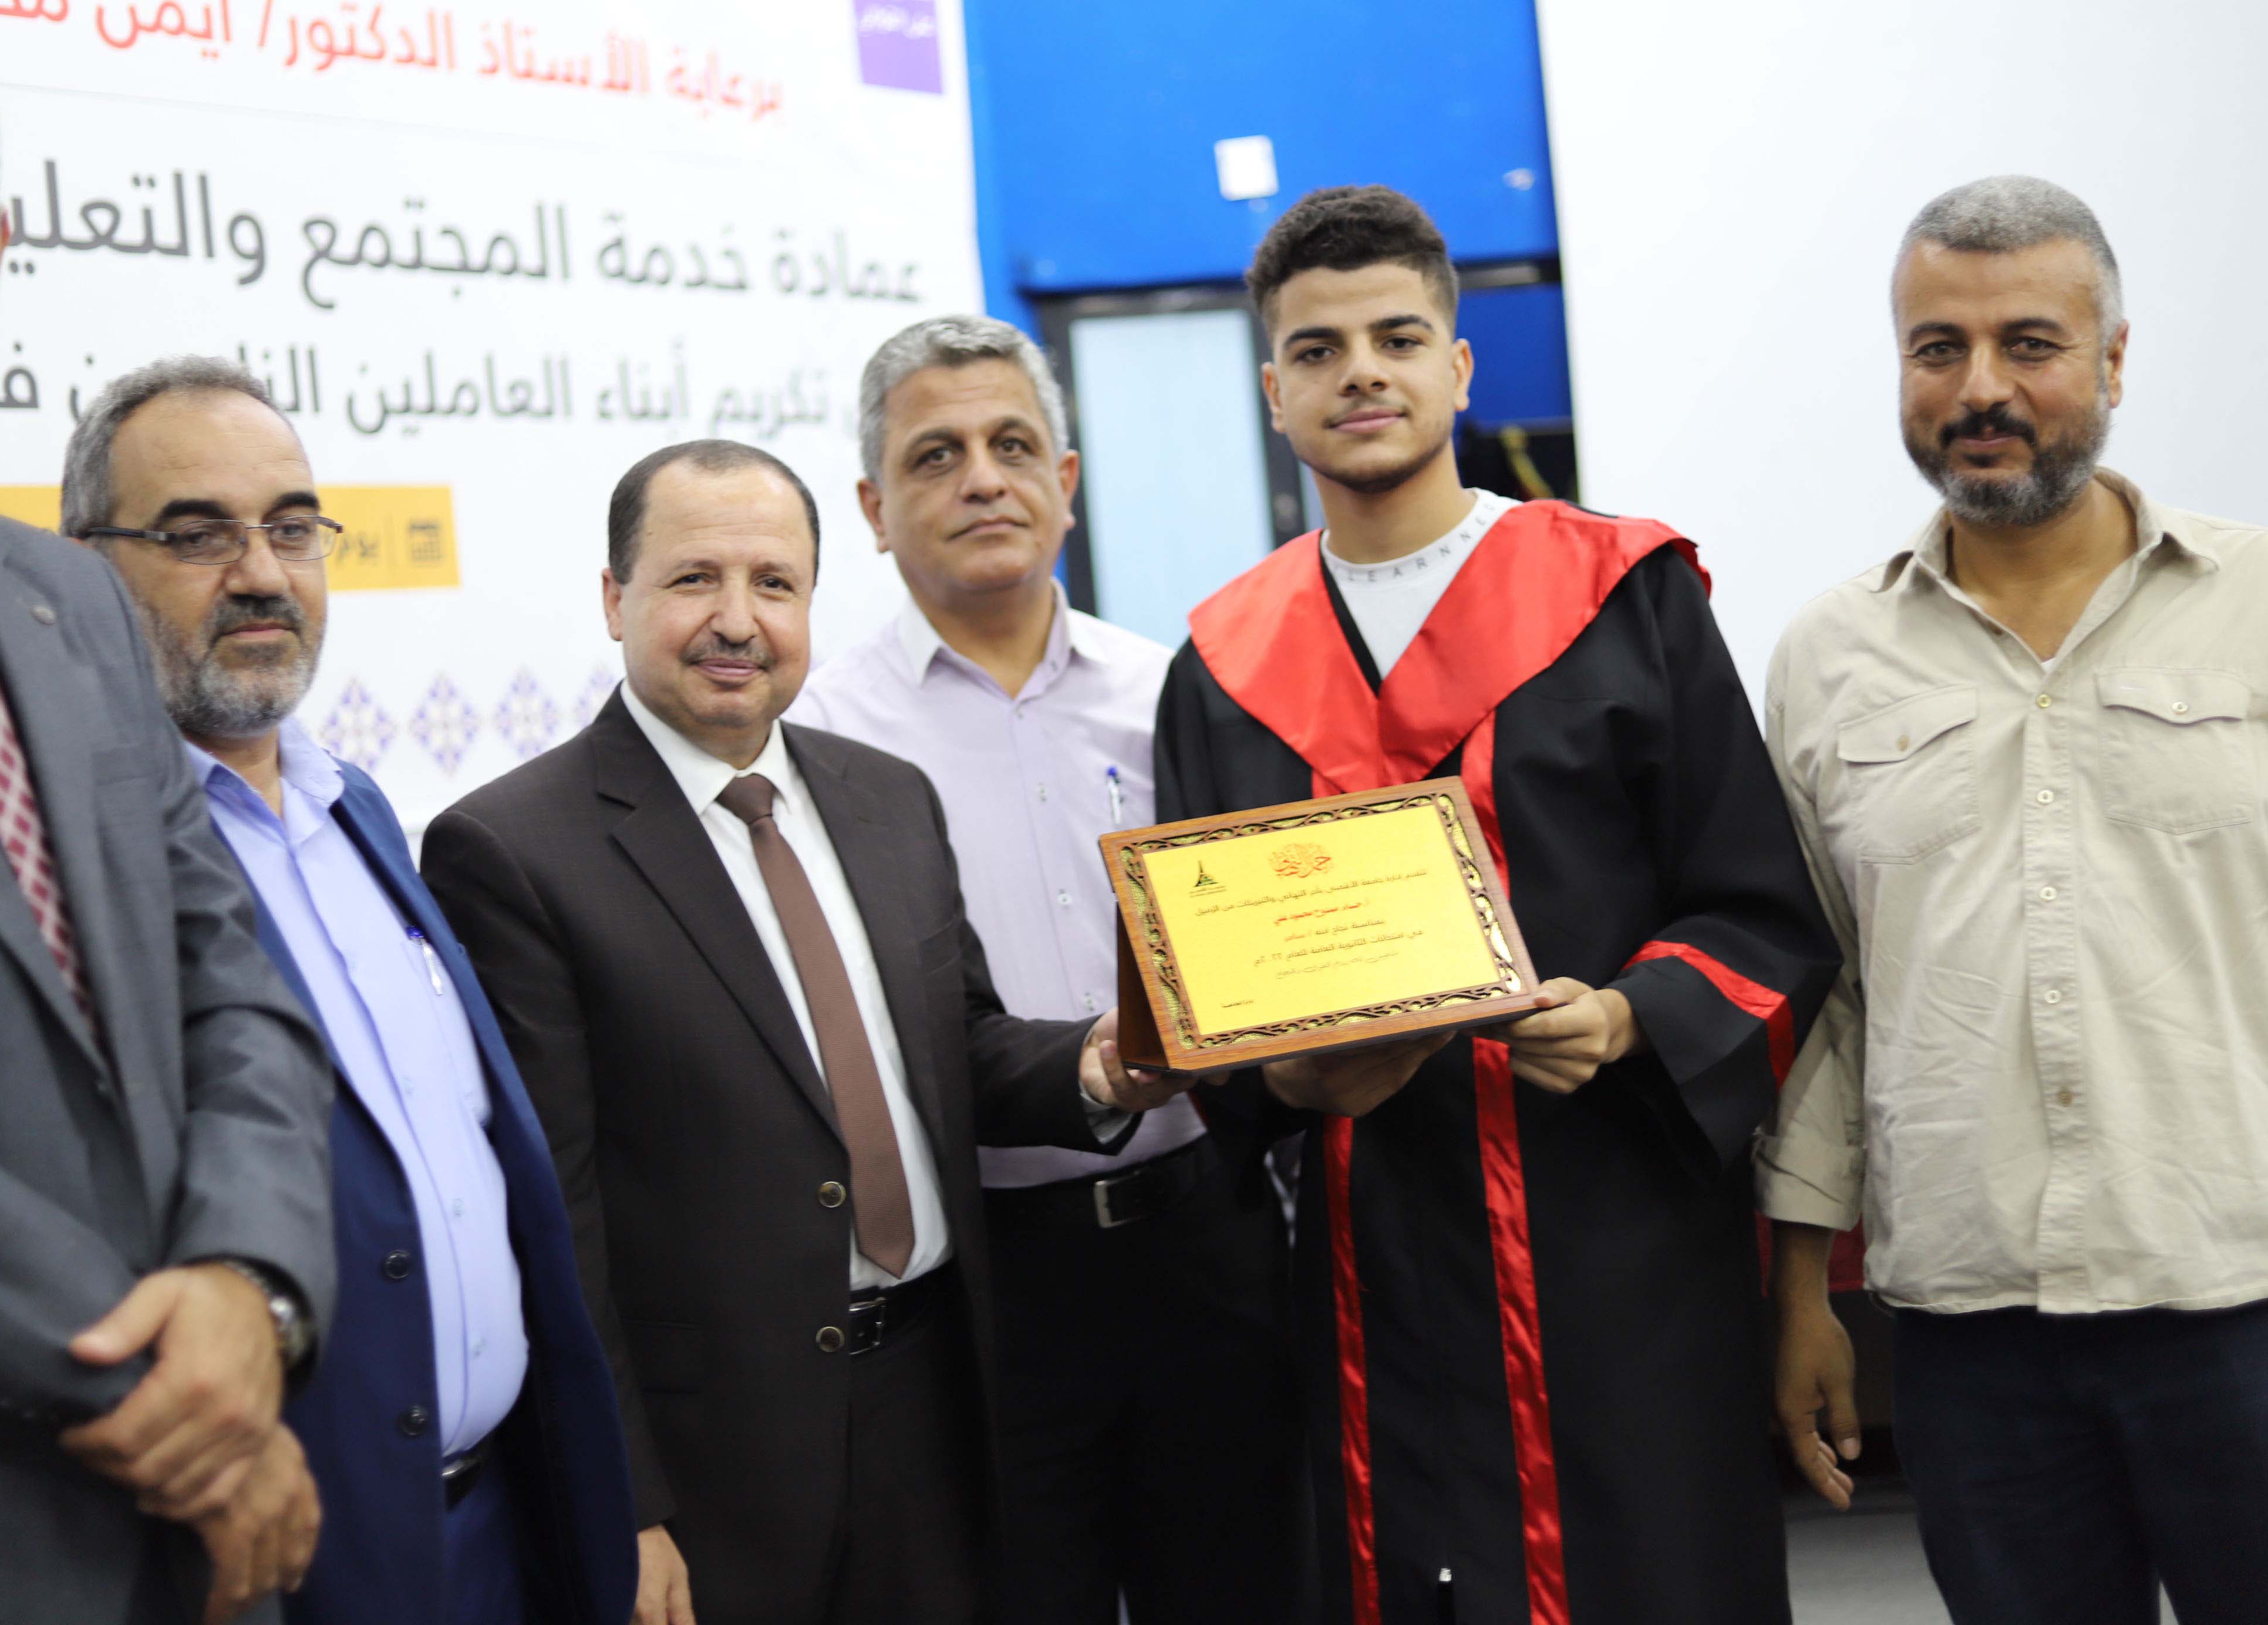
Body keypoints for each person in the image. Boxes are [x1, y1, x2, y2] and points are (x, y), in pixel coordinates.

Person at [1154, 184, 1841, 1625]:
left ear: (1459, 367)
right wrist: (1282, 1077)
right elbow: (1208, 1006)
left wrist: (1630, 1016)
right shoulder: (1221, 665)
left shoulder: (1623, 594)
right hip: (1364, 1254)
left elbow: (1761, 910)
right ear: (1274, 392)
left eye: (1398, 337)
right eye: (1318, 349)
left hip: (1610, 1246)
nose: (1361, 372)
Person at [420, 439, 1187, 1625]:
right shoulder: (512, 851)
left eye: (774, 583)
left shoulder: (887, 797)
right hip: (714, 1474)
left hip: (938, 1409)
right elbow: (554, 1214)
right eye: (694, 579)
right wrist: (623, 1499)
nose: (738, 620)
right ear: (615, 599)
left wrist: (1096, 1067)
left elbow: (955, 1051)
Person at [0, 26, 336, 1625]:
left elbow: (230, 982)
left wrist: (250, 1285)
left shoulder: (67, 600)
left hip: (190, 1560)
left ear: (0, 242)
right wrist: (172, 1392)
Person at [60, 358, 640, 1625]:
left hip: (506, 1530)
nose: (260, 574)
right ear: (82, 569)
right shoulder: (71, 863)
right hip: (287, 1559)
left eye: (290, 528)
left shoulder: (356, 806)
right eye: (197, 535)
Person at [1762, 176, 2268, 1625]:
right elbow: (1829, 999)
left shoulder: (2250, 605)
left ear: (2112, 359)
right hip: (1973, 1330)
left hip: (2238, 1289)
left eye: (2029, 344)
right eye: (1938, 348)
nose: (1980, 388)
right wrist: (1799, 1295)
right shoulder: (1827, 657)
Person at [791, 314, 1312, 1625]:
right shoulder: (819, 740)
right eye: (936, 455)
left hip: (1207, 1243)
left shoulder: (1173, 693)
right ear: (873, 508)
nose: (983, 478)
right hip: (984, 1288)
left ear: (1066, 483)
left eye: (1013, 445)